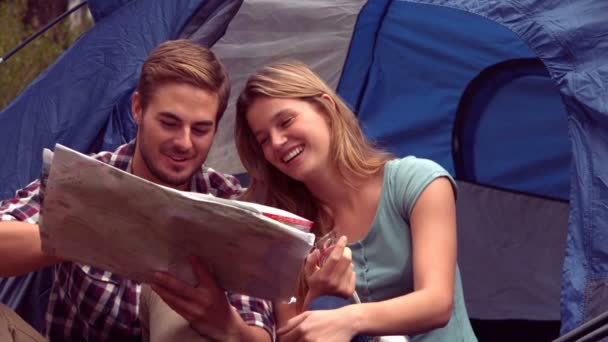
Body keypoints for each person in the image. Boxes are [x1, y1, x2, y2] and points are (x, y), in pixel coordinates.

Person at [0, 39, 274, 342]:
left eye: (200, 130)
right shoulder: (86, 178)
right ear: (138, 109)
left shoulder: (228, 199)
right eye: (169, 123)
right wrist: (87, 232)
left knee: (182, 286)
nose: (184, 142)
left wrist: (226, 323)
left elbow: (259, 331)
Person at [233, 61, 478, 341]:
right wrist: (318, 293)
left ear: (326, 108)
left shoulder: (419, 182)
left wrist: (348, 319)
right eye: (263, 140)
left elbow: (437, 303)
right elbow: (292, 335)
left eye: (286, 121)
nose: (276, 142)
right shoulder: (286, 230)